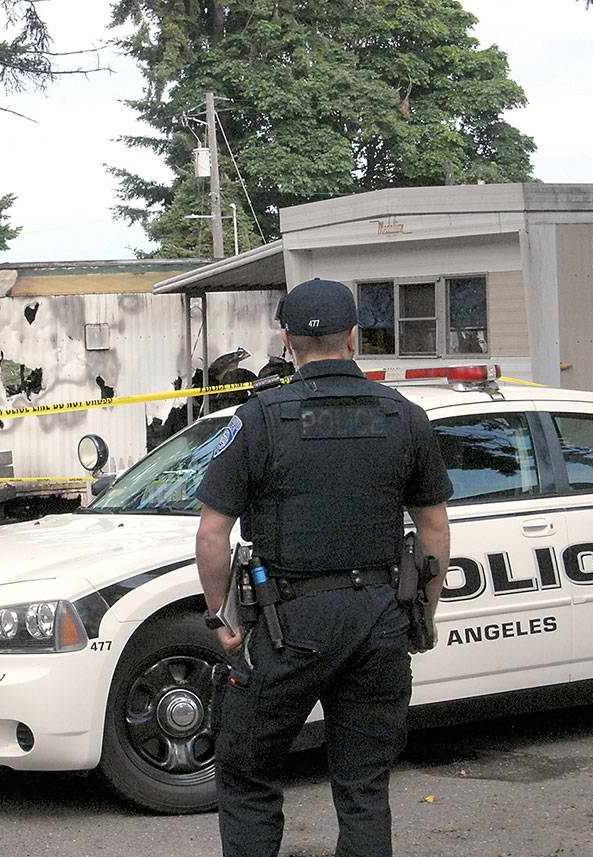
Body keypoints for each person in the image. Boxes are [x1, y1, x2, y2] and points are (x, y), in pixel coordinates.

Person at [194, 278, 452, 857]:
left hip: (289, 628)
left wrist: (221, 621)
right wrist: (423, 616)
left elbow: (213, 534)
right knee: (364, 788)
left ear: (286, 341)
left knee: (246, 775)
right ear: (355, 337)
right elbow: (433, 527)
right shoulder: (404, 416)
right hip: (380, 623)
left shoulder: (260, 417)